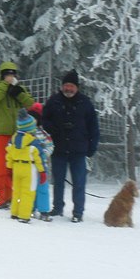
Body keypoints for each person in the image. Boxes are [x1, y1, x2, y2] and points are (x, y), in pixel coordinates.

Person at [42, 69, 100, 223]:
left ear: (77, 87)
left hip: (79, 150)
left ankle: (78, 212)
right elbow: (44, 120)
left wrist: (92, 146)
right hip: (58, 148)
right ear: (62, 86)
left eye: (71, 86)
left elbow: (94, 126)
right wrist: (53, 129)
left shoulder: (85, 103)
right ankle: (57, 208)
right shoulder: (53, 101)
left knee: (79, 183)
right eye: (66, 85)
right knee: (58, 181)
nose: (68, 89)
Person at [0, 61, 35, 209]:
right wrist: (4, 85)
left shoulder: (19, 89)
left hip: (18, 135)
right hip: (0, 134)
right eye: (7, 74)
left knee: (13, 168)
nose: (10, 76)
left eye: (13, 74)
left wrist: (18, 92)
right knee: (0, 168)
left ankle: (11, 197)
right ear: (2, 75)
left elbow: (30, 104)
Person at [6, 109, 47, 223]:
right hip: (29, 169)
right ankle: (24, 216)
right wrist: (42, 171)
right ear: (30, 127)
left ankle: (14, 212)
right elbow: (39, 158)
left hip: (16, 167)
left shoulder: (13, 139)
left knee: (17, 191)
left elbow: (9, 154)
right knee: (27, 192)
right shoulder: (33, 141)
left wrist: (9, 167)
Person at [27, 102, 54, 222]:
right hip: (29, 167)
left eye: (34, 119)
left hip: (42, 167)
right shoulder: (26, 134)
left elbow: (50, 146)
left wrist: (43, 153)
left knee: (42, 189)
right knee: (30, 188)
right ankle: (31, 208)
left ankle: (44, 211)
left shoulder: (43, 134)